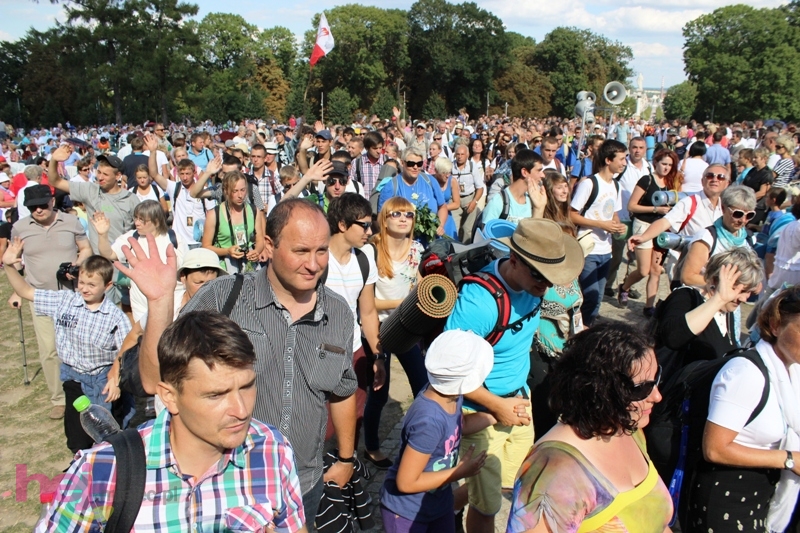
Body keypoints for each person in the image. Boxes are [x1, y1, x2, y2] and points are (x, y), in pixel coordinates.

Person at [125, 199, 359, 529]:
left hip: (302, 484)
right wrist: (159, 301)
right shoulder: (222, 298)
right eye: (301, 251)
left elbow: (342, 390)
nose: (314, 264)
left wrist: (347, 458)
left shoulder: (339, 314)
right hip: (226, 488)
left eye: (322, 251)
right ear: (269, 245)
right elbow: (155, 381)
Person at [35, 311, 308, 533]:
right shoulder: (101, 472)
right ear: (169, 396)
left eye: (247, 386)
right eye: (216, 395)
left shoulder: (272, 449)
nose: (241, 409)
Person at [445, 218, 584, 533]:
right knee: (488, 506)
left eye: (551, 278)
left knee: (506, 485)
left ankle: (448, 504)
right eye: (539, 276)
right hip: (480, 411)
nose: (545, 286)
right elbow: (450, 371)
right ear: (513, 260)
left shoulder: (534, 285)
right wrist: (495, 406)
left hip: (519, 402)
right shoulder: (479, 303)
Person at [507, 323, 672, 533]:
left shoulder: (628, 430)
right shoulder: (556, 468)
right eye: (643, 388)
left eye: (656, 379)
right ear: (601, 391)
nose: (657, 396)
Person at [685, 285, 800, 533]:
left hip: (761, 497)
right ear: (776, 325)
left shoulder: (793, 372)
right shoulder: (745, 373)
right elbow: (714, 449)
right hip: (727, 501)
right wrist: (789, 459)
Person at [4, 242, 130, 453]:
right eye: (81, 282)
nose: (84, 289)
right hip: (74, 379)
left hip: (104, 380)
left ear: (108, 286)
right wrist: (8, 265)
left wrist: (115, 380)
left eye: (92, 285)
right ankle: (79, 463)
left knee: (109, 435)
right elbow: (26, 291)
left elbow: (126, 352)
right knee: (77, 437)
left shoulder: (116, 317)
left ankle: (112, 467)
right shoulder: (64, 301)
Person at [380, 330, 496, 533]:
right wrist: (458, 472)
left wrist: (494, 416)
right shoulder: (429, 421)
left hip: (439, 504)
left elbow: (460, 426)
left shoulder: (450, 394)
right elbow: (406, 482)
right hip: (407, 513)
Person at [8, 184, 92, 419]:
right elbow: (15, 260)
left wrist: (76, 264)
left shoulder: (70, 222)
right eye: (32, 207)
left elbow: (85, 248)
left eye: (42, 205)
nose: (38, 210)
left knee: (78, 343)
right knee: (49, 349)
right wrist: (18, 287)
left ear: (52, 202)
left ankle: (85, 389)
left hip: (71, 294)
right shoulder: (20, 228)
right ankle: (59, 399)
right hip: (39, 296)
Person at [362, 197, 428, 468]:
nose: (403, 218)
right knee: (379, 391)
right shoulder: (371, 250)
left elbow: (420, 284)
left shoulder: (417, 249)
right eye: (396, 214)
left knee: (422, 385)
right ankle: (372, 448)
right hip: (377, 326)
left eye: (409, 215)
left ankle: (421, 443)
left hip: (406, 327)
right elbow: (366, 303)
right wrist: (402, 303)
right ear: (384, 219)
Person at [323, 193, 386, 465]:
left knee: (353, 422)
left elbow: (368, 312)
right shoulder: (318, 259)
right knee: (322, 427)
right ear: (342, 224)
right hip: (319, 354)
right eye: (364, 225)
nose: (370, 232)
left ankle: (348, 475)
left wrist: (378, 356)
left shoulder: (364, 259)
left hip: (354, 352)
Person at [629, 164, 730, 285]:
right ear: (702, 180)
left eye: (721, 177)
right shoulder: (690, 202)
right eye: (710, 175)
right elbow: (664, 222)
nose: (715, 179)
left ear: (727, 183)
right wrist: (643, 237)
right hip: (686, 268)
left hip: (713, 269)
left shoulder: (726, 208)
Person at [570, 139, 627, 326]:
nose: (624, 163)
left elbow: (614, 213)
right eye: (621, 158)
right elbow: (572, 215)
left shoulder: (616, 186)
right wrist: (600, 225)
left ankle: (587, 330)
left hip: (606, 250)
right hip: (588, 248)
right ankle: (580, 332)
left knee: (598, 297)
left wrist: (619, 226)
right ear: (608, 160)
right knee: (590, 296)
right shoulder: (589, 184)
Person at [618, 149, 681, 315]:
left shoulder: (671, 183)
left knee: (655, 270)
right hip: (643, 225)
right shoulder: (646, 180)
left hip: (662, 228)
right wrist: (656, 209)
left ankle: (649, 307)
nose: (666, 168)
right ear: (656, 163)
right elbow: (631, 206)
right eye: (664, 164)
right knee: (643, 270)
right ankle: (624, 287)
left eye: (670, 165)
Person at [48, 145, 139, 255]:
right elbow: (55, 182)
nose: (100, 177)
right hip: (98, 262)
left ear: (118, 175)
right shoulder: (90, 190)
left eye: (105, 174)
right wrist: (54, 160)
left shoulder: (131, 199)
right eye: (98, 172)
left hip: (123, 261)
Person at [680, 185, 757, 288]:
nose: (743, 220)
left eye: (749, 215)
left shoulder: (748, 239)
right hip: (705, 300)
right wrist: (727, 286)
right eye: (738, 214)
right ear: (723, 208)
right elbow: (688, 277)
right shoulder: (706, 237)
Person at [202, 170, 265, 274]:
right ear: (226, 191)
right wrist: (227, 251)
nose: (240, 195)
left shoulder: (254, 211)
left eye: (243, 190)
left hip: (249, 266)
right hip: (225, 267)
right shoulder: (214, 214)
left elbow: (260, 239)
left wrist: (256, 251)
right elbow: (206, 246)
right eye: (235, 191)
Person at [377, 147, 448, 238]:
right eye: (411, 164)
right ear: (402, 163)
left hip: (431, 239)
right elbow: (381, 217)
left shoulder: (430, 181)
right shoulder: (391, 186)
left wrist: (440, 225)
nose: (415, 167)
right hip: (402, 241)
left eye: (419, 164)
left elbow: (442, 206)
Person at [480, 149, 546, 226]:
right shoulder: (498, 202)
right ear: (524, 172)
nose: (543, 175)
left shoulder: (532, 200)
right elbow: (485, 234)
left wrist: (539, 209)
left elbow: (534, 235)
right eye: (539, 171)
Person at [450, 144, 485, 242]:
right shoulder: (451, 166)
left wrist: (474, 202)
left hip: (469, 198)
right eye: (458, 154)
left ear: (467, 155)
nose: (460, 156)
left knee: (467, 229)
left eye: (462, 154)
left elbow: (480, 187)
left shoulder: (472, 166)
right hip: (454, 199)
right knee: (455, 228)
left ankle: (465, 251)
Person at [432, 157, 459, 239]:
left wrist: (442, 208)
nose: (447, 175)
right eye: (444, 173)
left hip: (447, 218)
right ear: (436, 171)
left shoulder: (452, 181)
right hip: (433, 217)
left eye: (449, 172)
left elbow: (457, 204)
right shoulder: (430, 180)